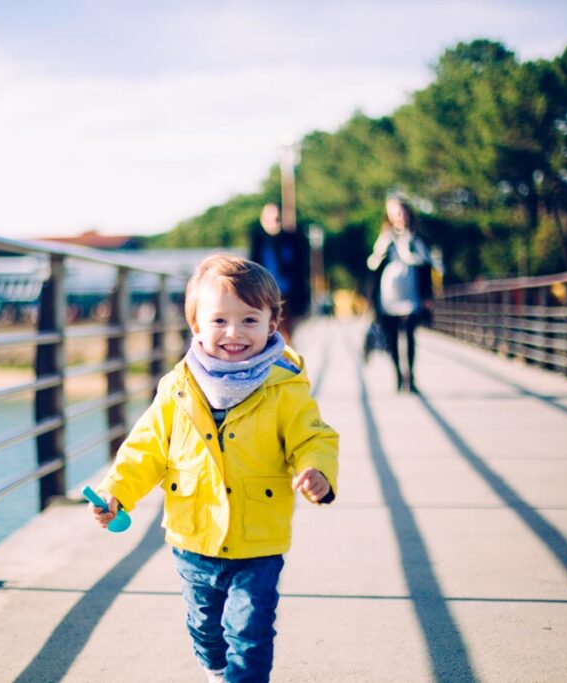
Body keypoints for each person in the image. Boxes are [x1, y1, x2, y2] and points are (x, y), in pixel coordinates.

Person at [89, 253, 339, 683]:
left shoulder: (284, 387)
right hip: (193, 534)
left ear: (272, 323)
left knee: (250, 632)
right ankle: (216, 670)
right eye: (219, 320)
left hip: (257, 541)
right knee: (206, 629)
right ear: (196, 326)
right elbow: (145, 448)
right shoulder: (178, 387)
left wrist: (317, 471)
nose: (234, 333)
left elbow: (313, 436)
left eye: (249, 320)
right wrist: (117, 491)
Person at [365, 196, 434, 392]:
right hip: (388, 297)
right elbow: (373, 267)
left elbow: (425, 267)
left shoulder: (417, 239)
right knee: (392, 337)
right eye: (394, 213)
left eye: (401, 211)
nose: (399, 216)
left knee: (410, 335)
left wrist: (428, 296)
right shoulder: (384, 239)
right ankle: (397, 376)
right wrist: (371, 298)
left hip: (412, 294)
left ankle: (410, 377)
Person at [248, 203, 310, 343]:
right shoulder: (257, 241)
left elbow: (300, 272)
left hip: (287, 296)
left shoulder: (292, 240)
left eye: (277, 219)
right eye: (269, 219)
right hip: (264, 296)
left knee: (286, 336)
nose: (273, 223)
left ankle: (286, 363)